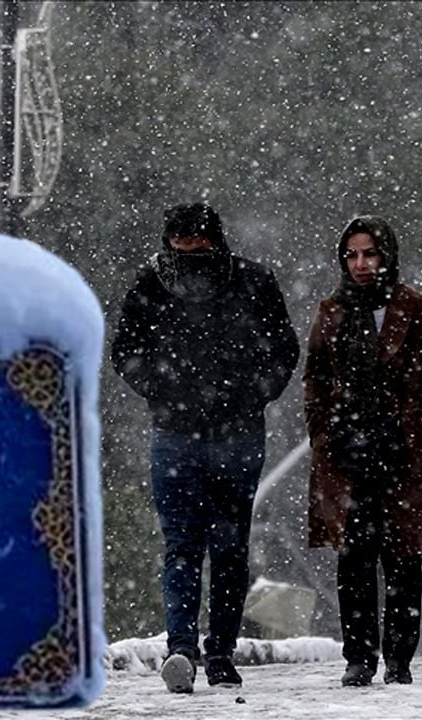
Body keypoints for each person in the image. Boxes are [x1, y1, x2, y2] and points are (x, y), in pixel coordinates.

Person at [112, 202, 299, 693]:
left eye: (198, 246)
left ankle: (216, 650)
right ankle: (184, 649)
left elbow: (283, 350)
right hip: (178, 434)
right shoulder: (151, 285)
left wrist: (249, 393)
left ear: (214, 241)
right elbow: (126, 352)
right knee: (186, 547)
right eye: (181, 246)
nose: (189, 256)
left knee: (226, 548)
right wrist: (165, 389)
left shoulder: (254, 283)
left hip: (232, 434)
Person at [303, 215, 422, 687]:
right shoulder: (331, 310)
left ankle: (399, 659)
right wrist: (323, 433)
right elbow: (315, 378)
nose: (361, 264)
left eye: (369, 253)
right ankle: (359, 657)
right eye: (351, 254)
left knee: (402, 558)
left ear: (386, 255)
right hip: (346, 453)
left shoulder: (416, 307)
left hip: (401, 453)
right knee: (353, 558)